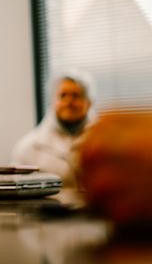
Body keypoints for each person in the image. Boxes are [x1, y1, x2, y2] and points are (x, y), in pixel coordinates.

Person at [11, 70, 96, 202]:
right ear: (53, 102)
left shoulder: (106, 142)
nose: (69, 101)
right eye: (63, 96)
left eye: (76, 95)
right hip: (46, 218)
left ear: (89, 103)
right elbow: (16, 191)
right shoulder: (29, 146)